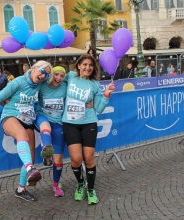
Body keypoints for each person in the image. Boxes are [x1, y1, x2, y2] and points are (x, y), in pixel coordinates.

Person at [0, 60, 52, 202]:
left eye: (47, 75)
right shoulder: (18, 82)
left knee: (31, 158)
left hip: (28, 120)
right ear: (33, 68)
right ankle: (31, 170)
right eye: (42, 71)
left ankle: (21, 190)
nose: (43, 76)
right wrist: (7, 103)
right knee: (22, 136)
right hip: (11, 116)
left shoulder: (40, 85)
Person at [62, 54, 115, 205]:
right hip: (70, 123)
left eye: (90, 65)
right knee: (76, 159)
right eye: (84, 64)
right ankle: (80, 184)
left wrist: (106, 94)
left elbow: (98, 107)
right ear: (78, 65)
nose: (87, 67)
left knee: (89, 158)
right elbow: (55, 81)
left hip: (89, 123)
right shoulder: (70, 76)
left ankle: (91, 189)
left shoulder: (95, 84)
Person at [34, 66, 67, 197]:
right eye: (56, 74)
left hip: (59, 123)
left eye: (61, 75)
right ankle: (47, 152)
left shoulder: (65, 86)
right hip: (43, 117)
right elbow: (28, 88)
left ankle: (55, 184)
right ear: (51, 74)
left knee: (58, 159)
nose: (58, 78)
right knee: (45, 126)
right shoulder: (42, 85)